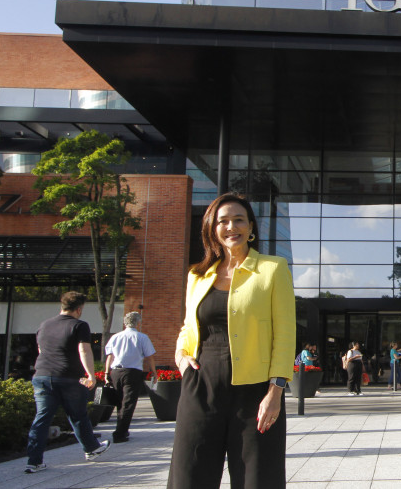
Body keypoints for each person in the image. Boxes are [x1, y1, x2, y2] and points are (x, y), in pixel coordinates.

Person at [167, 193, 296, 489]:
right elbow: (188, 326)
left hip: (256, 393)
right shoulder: (197, 275)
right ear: (212, 228)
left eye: (239, 220)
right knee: (190, 476)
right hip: (201, 387)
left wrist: (275, 392)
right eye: (223, 221)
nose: (231, 227)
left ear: (250, 227)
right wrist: (181, 356)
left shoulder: (273, 269)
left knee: (257, 480)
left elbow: (285, 333)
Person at [25, 291, 111, 474]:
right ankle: (91, 448)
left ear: (62, 305)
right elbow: (84, 351)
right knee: (78, 415)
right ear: (79, 309)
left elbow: (41, 350)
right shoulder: (79, 325)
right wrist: (91, 375)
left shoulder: (44, 325)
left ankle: (34, 461)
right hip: (68, 377)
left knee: (42, 418)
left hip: (42, 375)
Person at [104, 311, 157, 443]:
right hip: (133, 372)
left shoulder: (115, 337)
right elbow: (150, 357)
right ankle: (120, 433)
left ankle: (121, 429)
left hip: (116, 371)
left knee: (120, 402)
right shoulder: (142, 337)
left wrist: (106, 373)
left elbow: (110, 356)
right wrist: (154, 372)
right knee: (128, 403)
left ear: (125, 323)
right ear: (138, 323)